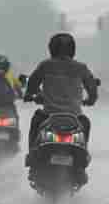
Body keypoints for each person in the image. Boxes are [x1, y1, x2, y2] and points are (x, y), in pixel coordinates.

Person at [23, 33, 98, 179]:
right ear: (72, 49)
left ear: (52, 48)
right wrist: (90, 100)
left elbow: (32, 84)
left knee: (35, 121)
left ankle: (32, 156)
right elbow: (92, 89)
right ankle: (82, 161)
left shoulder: (45, 65)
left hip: (48, 115)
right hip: (75, 117)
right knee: (86, 123)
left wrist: (29, 95)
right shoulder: (81, 68)